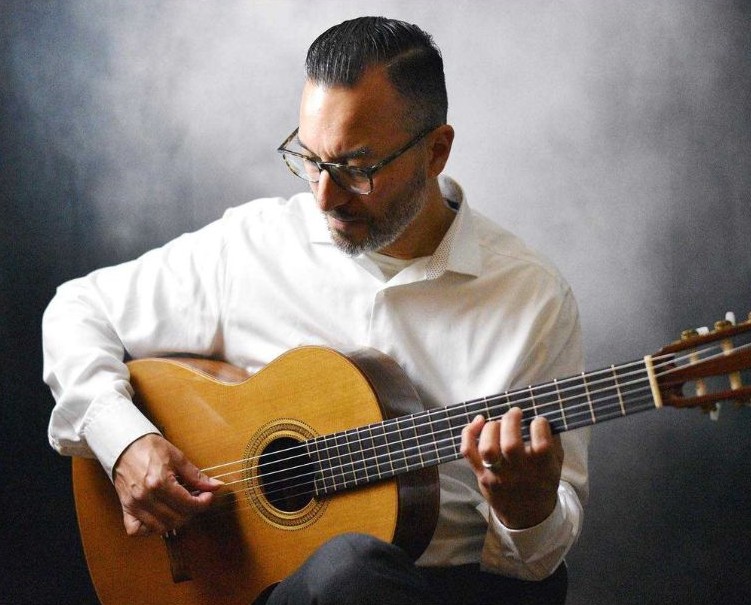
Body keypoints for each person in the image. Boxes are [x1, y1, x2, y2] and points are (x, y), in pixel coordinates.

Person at [43, 16, 589, 605]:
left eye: (356, 168)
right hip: (259, 591)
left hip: (446, 589)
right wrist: (124, 442)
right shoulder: (253, 247)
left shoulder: (531, 297)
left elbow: (539, 561)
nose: (325, 196)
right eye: (309, 158)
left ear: (436, 151)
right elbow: (77, 310)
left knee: (353, 571)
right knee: (347, 570)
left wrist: (526, 511)